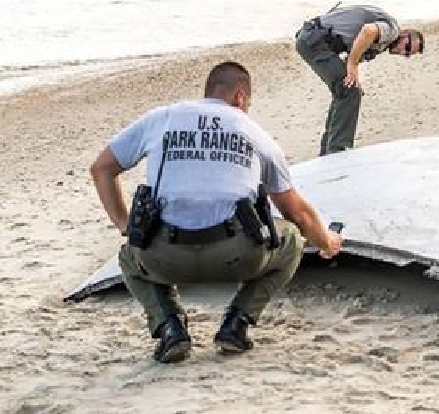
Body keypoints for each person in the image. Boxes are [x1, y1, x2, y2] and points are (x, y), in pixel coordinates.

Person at [90, 61, 343, 363]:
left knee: (128, 258)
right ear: (240, 98)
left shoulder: (162, 119)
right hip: (236, 256)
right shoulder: (254, 132)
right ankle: (236, 324)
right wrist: (327, 242)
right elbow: (296, 213)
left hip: (165, 257)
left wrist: (124, 223)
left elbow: (101, 169)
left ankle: (170, 327)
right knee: (292, 243)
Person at [295, 4, 424, 156]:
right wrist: (352, 65)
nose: (403, 52)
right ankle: (337, 150)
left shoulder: (381, 44)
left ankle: (327, 151)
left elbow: (351, 58)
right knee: (349, 90)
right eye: (407, 46)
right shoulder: (392, 30)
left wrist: (353, 77)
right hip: (314, 41)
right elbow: (368, 31)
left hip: (313, 40)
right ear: (405, 33)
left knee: (346, 90)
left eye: (407, 54)